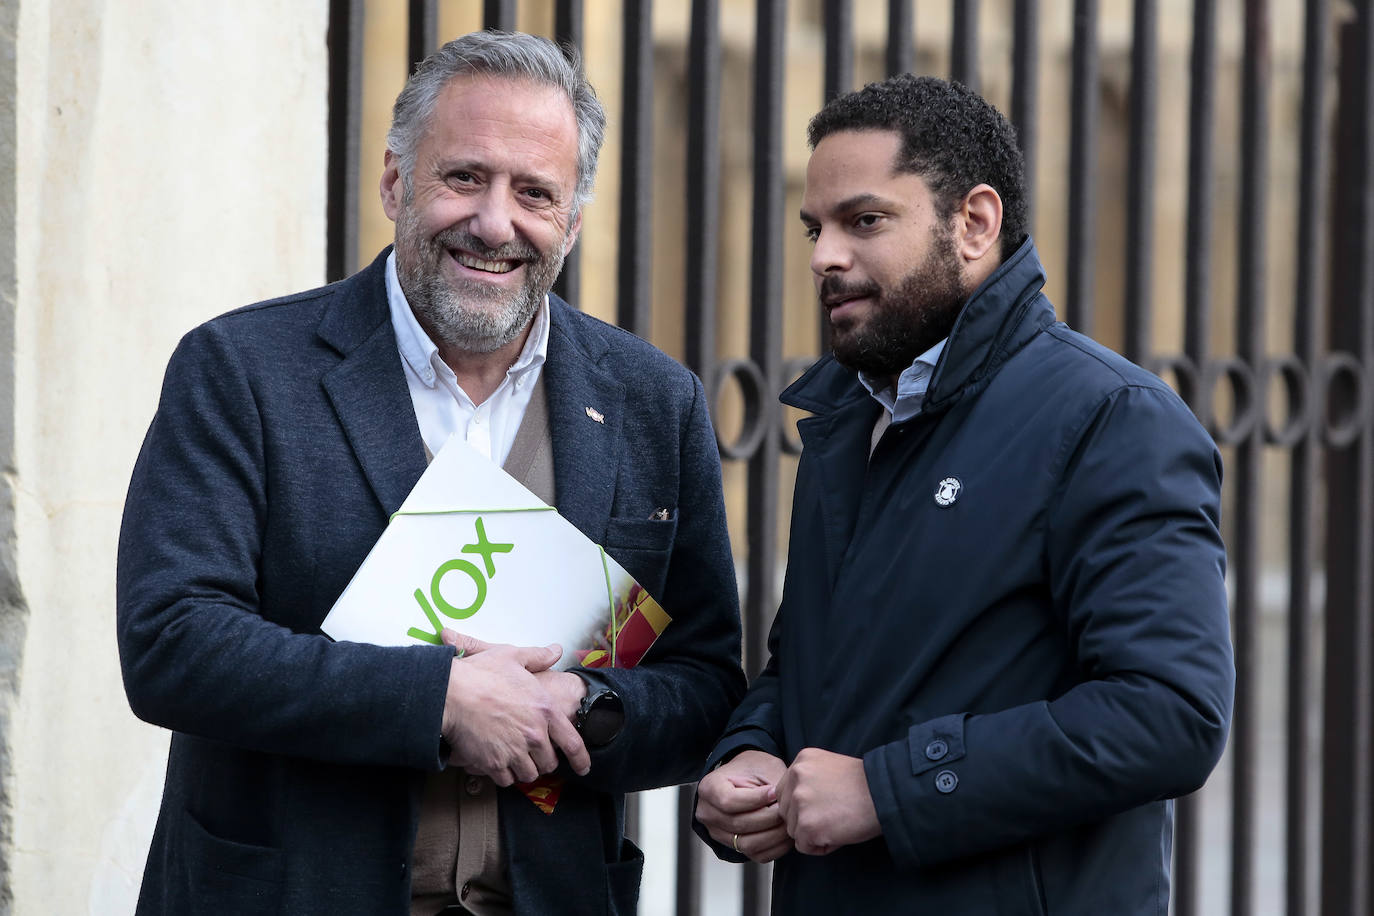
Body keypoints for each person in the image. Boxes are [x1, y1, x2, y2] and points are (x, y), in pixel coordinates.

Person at [117, 30, 744, 916]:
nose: (495, 222)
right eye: (464, 177)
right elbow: (171, 643)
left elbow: (706, 681)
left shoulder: (652, 400)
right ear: (393, 183)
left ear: (569, 222)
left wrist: (582, 703)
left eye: (534, 193)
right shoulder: (242, 369)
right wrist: (439, 700)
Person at [693, 74, 1234, 914]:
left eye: (864, 221)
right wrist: (752, 751)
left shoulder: (1111, 420)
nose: (823, 257)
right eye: (814, 227)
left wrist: (892, 788)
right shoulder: (849, 418)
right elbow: (814, 665)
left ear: (974, 222)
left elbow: (1170, 714)